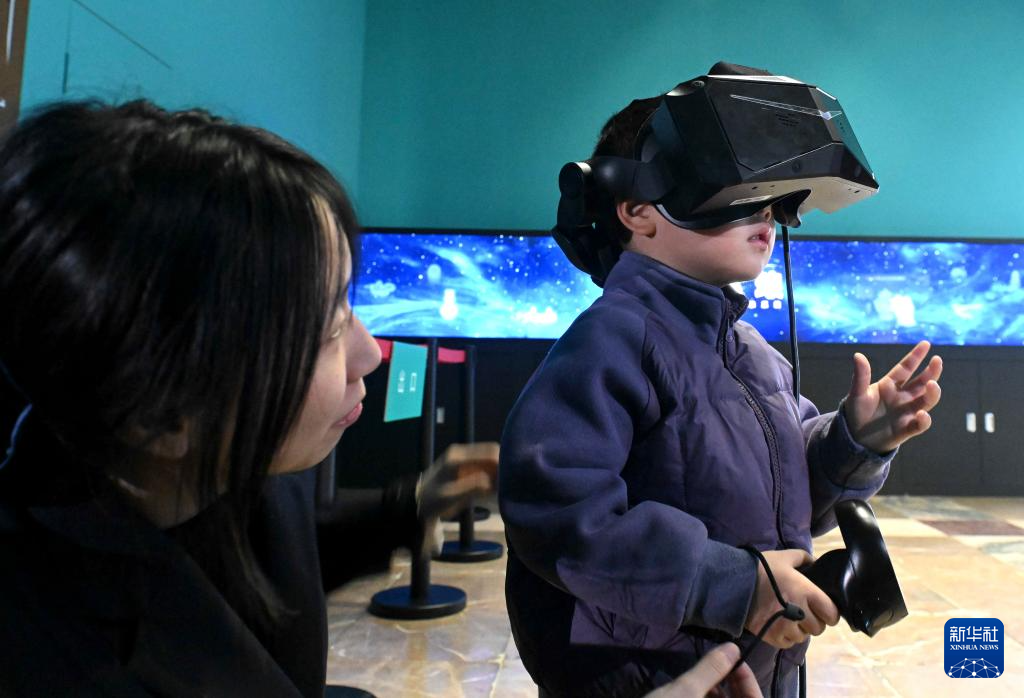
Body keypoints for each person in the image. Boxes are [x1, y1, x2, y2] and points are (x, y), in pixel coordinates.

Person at [0, 99, 495, 696]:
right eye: (328, 327)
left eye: (348, 302)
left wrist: (410, 506)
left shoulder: (213, 467)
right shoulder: (62, 664)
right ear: (161, 412)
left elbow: (263, 565)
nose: (369, 354)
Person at [498, 67, 944, 697]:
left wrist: (855, 440)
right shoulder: (612, 341)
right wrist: (740, 586)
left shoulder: (754, 354)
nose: (766, 209)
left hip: (757, 667)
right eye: (733, 186)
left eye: (772, 194)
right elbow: (558, 514)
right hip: (647, 677)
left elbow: (794, 494)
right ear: (638, 211)